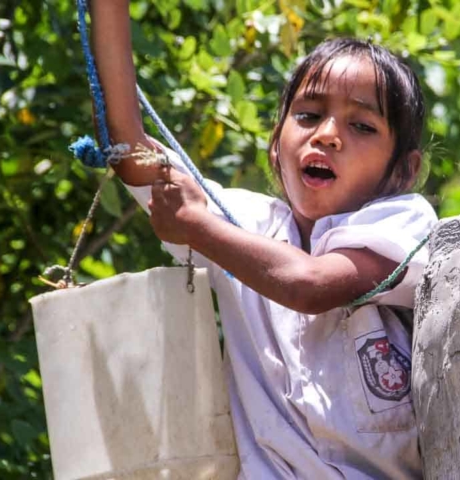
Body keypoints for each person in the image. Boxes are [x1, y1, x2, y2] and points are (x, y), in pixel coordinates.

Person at [89, 2, 437, 478]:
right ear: (276, 144)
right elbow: (129, 151)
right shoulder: (245, 222)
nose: (328, 135)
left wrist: (198, 226)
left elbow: (308, 286)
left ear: (403, 170)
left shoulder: (403, 222)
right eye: (309, 115)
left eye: (362, 126)